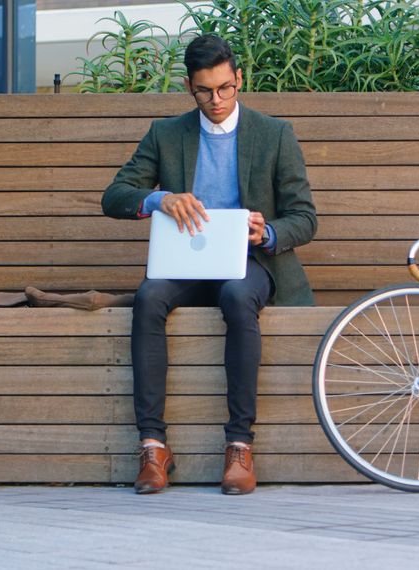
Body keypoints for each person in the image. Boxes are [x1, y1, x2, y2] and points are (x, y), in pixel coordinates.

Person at [101, 34, 317, 495]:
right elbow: (114, 196)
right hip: (186, 261)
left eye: (225, 88)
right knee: (149, 297)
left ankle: (239, 445)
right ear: (189, 87)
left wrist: (270, 232)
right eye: (204, 91)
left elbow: (305, 217)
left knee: (239, 297)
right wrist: (159, 199)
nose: (216, 100)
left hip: (247, 263)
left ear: (239, 79)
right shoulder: (167, 134)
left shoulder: (275, 134)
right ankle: (153, 446)